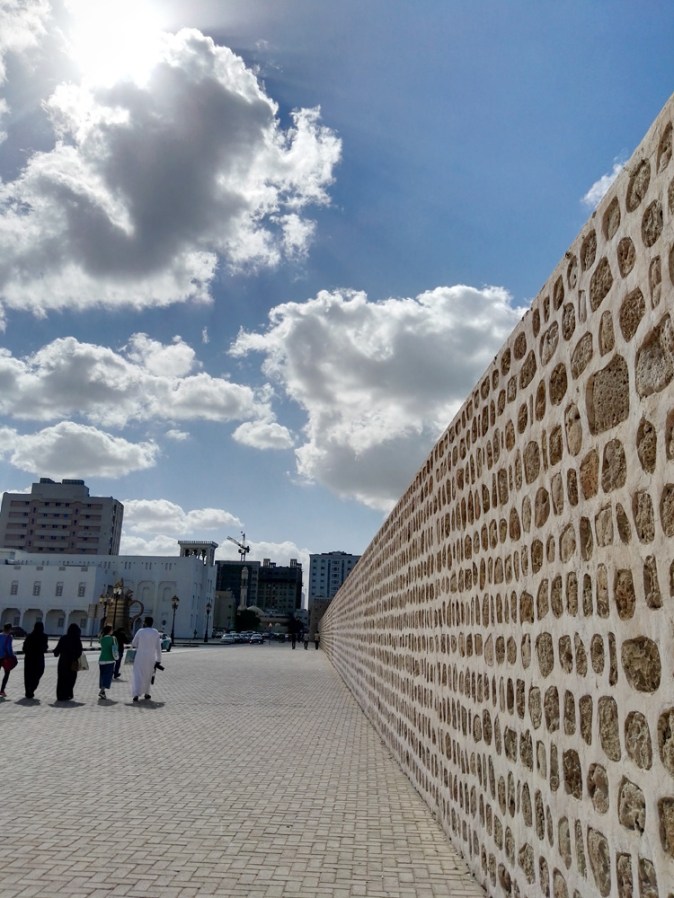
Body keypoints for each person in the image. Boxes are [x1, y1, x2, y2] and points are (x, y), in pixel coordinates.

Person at [130, 617, 162, 701]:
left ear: (145, 623)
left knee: (138, 674)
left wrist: (140, 646)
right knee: (148, 675)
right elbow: (158, 647)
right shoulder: (155, 632)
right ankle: (147, 693)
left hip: (140, 656)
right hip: (151, 657)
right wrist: (159, 659)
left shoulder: (140, 631)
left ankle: (136, 694)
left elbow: (134, 643)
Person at [53, 623, 83, 701]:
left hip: (63, 661)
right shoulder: (77, 639)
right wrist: (75, 656)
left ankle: (60, 695)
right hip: (73, 662)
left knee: (61, 678)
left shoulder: (63, 638)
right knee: (71, 678)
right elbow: (79, 651)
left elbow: (57, 649)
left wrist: (55, 653)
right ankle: (67, 694)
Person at [23, 621, 49, 699]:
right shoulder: (44, 636)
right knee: (38, 673)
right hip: (39, 658)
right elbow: (45, 647)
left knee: (28, 675)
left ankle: (28, 691)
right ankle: (32, 688)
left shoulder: (29, 636)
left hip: (29, 658)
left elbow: (24, 648)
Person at [98, 624, 116, 699]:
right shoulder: (113, 638)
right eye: (112, 629)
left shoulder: (101, 638)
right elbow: (116, 647)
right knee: (107, 676)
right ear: (110, 631)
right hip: (110, 659)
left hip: (102, 659)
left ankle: (103, 691)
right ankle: (102, 691)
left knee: (102, 676)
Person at [0, 622, 17, 697]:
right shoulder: (9, 637)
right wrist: (12, 655)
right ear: (9, 629)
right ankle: (2, 691)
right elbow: (8, 648)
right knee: (6, 674)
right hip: (5, 658)